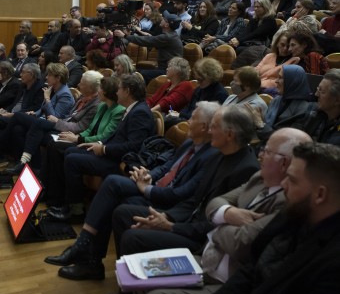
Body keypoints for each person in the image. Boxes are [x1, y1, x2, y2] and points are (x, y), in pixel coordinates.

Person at [44, 101, 221, 281]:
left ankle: (85, 251)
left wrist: (147, 189)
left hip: (169, 201)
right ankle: (88, 257)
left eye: (193, 118)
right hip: (155, 186)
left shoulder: (212, 156)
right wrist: (149, 175)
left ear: (205, 127)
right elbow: (167, 166)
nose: (187, 120)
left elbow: (181, 193)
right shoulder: (190, 143)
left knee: (113, 187)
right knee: (112, 192)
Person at [141, 128, 312, 294]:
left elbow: (240, 244)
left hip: (228, 281)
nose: (260, 154)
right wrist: (228, 213)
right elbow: (216, 202)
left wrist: (218, 226)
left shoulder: (289, 201)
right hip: (207, 260)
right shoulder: (259, 177)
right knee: (140, 275)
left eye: (266, 151)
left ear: (284, 163)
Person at [110, 105, 259, 284]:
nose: (210, 131)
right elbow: (194, 199)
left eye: (214, 126)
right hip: (186, 219)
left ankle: (130, 289)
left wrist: (170, 226)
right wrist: (167, 216)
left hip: (202, 239)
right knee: (123, 213)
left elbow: (216, 224)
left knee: (133, 237)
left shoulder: (245, 168)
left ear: (229, 135)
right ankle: (127, 281)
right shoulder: (221, 153)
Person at [208, 142, 340, 294]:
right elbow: (251, 271)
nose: (283, 185)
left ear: (320, 194)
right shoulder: (291, 214)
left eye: (292, 180)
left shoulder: (333, 265)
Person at [45, 74, 155, 222]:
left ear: (127, 91)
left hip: (119, 162)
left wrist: (103, 149)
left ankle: (76, 210)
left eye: (119, 89)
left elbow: (134, 146)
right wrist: (100, 145)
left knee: (72, 159)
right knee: (70, 151)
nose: (117, 92)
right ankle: (66, 201)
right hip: (111, 152)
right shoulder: (133, 109)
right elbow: (117, 137)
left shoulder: (140, 112)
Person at [40, 76, 125, 207]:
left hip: (97, 145)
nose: (99, 91)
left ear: (107, 92)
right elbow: (90, 129)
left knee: (59, 148)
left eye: (101, 89)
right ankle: (47, 189)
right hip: (86, 140)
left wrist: (78, 139)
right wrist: (75, 136)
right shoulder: (102, 106)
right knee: (53, 143)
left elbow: (105, 135)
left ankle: (59, 197)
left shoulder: (118, 111)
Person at [4, 70, 102, 174]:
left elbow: (79, 127)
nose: (78, 84)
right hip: (57, 123)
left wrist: (56, 119)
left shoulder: (94, 105)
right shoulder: (83, 96)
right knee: (19, 129)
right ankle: (31, 167)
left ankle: (3, 147)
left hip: (68, 130)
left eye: (82, 83)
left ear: (90, 88)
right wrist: (36, 114)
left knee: (22, 117)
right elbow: (69, 116)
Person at [0, 62, 73, 159]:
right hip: (41, 120)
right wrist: (34, 113)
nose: (46, 77)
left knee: (18, 116)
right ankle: (21, 161)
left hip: (52, 126)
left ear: (58, 78)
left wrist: (47, 99)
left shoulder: (65, 95)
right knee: (18, 129)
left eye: (49, 75)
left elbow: (55, 117)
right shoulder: (53, 89)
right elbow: (43, 109)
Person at [114, 13, 183, 85]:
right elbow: (152, 40)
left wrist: (125, 36)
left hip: (167, 70)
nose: (161, 20)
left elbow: (146, 41)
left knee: (140, 74)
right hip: (167, 68)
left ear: (166, 25)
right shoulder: (172, 35)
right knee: (137, 72)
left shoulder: (167, 37)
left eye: (164, 20)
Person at [252, 65, 311, 143]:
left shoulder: (304, 109)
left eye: (280, 78)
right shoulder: (276, 100)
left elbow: (288, 141)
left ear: (292, 81)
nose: (276, 81)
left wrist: (261, 124)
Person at [172, 58, 228, 123]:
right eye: (197, 79)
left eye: (200, 80)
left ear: (211, 77)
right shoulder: (199, 89)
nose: (198, 83)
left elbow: (206, 118)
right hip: (189, 120)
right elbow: (188, 107)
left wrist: (180, 115)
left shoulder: (220, 94)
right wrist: (179, 115)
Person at [297, 69, 340, 146]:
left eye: (322, 91)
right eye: (318, 89)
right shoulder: (313, 111)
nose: (316, 94)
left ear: (337, 100)